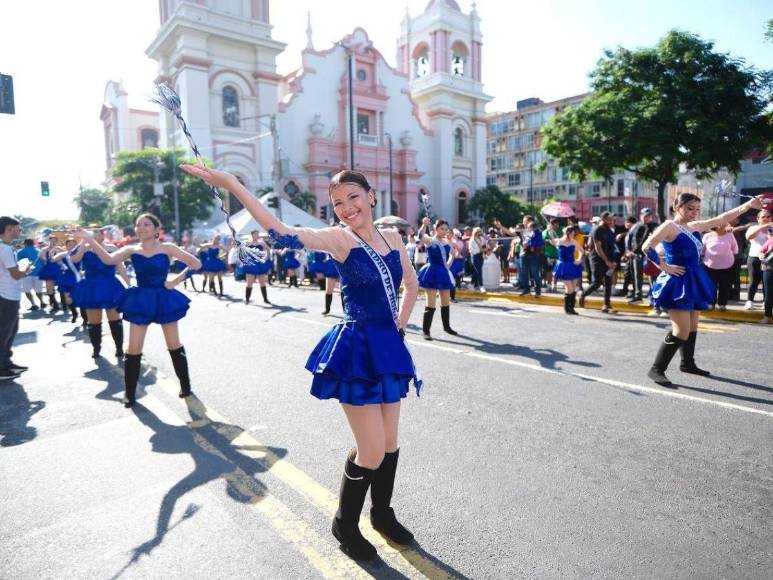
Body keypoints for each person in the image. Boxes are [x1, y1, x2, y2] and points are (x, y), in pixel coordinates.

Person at [181, 163, 421, 561]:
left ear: (372, 196)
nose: (347, 208)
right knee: (372, 450)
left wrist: (401, 323)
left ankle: (382, 514)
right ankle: (345, 523)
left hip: (388, 346)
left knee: (389, 443)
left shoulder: (393, 237)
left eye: (353, 198)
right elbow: (281, 231)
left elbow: (411, 283)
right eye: (338, 203)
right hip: (357, 349)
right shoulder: (339, 240)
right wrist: (232, 184)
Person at [76, 214, 202, 407]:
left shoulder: (168, 248)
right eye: (138, 225)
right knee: (134, 348)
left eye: (146, 224)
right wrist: (90, 239)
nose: (141, 228)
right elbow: (109, 260)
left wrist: (173, 282)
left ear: (156, 229)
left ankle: (185, 386)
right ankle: (130, 392)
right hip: (141, 300)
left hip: (163, 298)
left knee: (173, 344)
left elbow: (196, 264)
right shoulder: (131, 249)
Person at [643, 193, 763, 386]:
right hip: (677, 281)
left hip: (694, 279)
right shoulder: (669, 226)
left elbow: (721, 219)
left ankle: (687, 363)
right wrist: (663, 266)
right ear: (677, 207)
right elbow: (647, 246)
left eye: (697, 209)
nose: (694, 212)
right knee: (681, 331)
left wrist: (748, 206)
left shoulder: (693, 227)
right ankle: (656, 369)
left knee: (692, 327)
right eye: (690, 208)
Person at [70, 227, 130, 359]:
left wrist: (130, 284)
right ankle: (96, 348)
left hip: (110, 286)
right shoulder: (84, 248)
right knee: (94, 322)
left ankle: (119, 348)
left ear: (102, 235)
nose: (93, 232)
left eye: (96, 231)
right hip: (91, 287)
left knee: (115, 319)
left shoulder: (111, 248)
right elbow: (74, 260)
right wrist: (83, 243)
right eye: (91, 231)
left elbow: (121, 267)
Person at [0, 217, 31, 381]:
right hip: (6, 295)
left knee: (10, 331)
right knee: (5, 332)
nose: (19, 231)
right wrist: (25, 270)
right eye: (17, 228)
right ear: (9, 228)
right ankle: (2, 367)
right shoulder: (4, 249)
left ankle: (7, 362)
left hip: (8, 294)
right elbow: (15, 274)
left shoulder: (5, 248)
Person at [416, 217, 458, 339]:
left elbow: (452, 256)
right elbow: (420, 236)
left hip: (443, 273)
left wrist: (449, 264)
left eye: (446, 229)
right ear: (435, 229)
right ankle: (426, 331)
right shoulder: (431, 240)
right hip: (432, 272)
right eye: (441, 229)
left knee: (446, 302)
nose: (444, 231)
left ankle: (447, 327)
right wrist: (424, 224)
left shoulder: (447, 242)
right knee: (431, 303)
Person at [579, 211, 618, 314]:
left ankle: (606, 304)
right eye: (609, 220)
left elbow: (612, 246)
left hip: (609, 260)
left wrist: (613, 261)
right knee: (597, 282)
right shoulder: (597, 230)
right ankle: (583, 294)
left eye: (612, 220)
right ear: (603, 219)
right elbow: (598, 248)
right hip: (597, 259)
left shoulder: (609, 231)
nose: (611, 222)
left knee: (608, 282)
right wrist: (606, 261)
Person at [548, 225, 584, 315]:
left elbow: (582, 251)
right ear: (568, 233)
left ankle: (571, 308)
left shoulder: (573, 241)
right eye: (572, 233)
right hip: (563, 266)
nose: (574, 235)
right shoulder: (559, 241)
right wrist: (550, 232)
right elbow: (552, 241)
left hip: (573, 265)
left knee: (573, 288)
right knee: (570, 288)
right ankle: (567, 308)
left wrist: (579, 259)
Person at [701, 224, 738, 311]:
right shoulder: (707, 236)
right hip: (710, 265)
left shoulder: (730, 235)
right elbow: (702, 249)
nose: (725, 225)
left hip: (727, 265)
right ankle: (711, 303)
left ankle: (722, 304)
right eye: (721, 223)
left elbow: (735, 248)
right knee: (711, 285)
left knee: (724, 285)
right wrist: (702, 258)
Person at [51, 238, 85, 324]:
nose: (72, 246)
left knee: (81, 298)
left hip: (78, 277)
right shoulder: (63, 254)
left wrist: (84, 272)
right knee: (68, 300)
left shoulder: (80, 253)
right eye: (69, 245)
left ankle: (85, 318)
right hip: (67, 278)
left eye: (74, 245)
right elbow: (53, 259)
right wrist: (52, 251)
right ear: (66, 246)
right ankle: (74, 313)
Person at [744, 208, 771, 309]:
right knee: (754, 280)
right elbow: (749, 237)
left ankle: (766, 302)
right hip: (754, 257)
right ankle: (749, 301)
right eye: (763, 217)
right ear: (758, 219)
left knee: (767, 281)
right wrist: (762, 227)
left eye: (768, 216)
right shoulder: (753, 228)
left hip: (769, 259)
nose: (766, 218)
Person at [628, 208, 657, 303]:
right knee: (637, 276)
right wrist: (630, 251)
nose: (647, 218)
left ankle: (654, 298)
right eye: (645, 216)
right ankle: (638, 296)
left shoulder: (655, 226)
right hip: (636, 255)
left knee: (652, 277)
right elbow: (631, 239)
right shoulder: (636, 226)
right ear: (640, 216)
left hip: (649, 255)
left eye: (649, 216)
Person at [241, 230, 272, 305]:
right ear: (252, 235)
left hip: (259, 264)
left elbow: (268, 249)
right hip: (251, 264)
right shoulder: (248, 242)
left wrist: (266, 258)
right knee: (249, 283)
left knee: (262, 282)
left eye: (258, 234)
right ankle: (247, 299)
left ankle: (265, 299)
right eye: (256, 234)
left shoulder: (261, 243)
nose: (257, 235)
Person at [37, 235, 65, 313]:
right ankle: (55, 304)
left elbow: (64, 259)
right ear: (48, 241)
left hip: (59, 269)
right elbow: (42, 259)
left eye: (55, 240)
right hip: (48, 269)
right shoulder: (44, 249)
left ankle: (64, 303)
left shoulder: (60, 249)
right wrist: (45, 256)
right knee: (49, 288)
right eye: (51, 240)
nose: (53, 242)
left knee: (62, 286)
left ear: (57, 241)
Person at [518, 217, 544, 297]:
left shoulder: (537, 231)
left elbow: (540, 242)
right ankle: (527, 290)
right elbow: (522, 242)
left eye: (525, 221)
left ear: (530, 222)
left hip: (533, 255)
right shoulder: (524, 231)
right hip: (524, 254)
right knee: (524, 273)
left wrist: (529, 243)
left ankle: (538, 291)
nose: (523, 223)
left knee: (535, 272)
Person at [17, 239, 45, 311]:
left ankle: (33, 304)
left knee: (27, 290)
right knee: (39, 290)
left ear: (25, 244)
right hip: (39, 272)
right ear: (33, 244)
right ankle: (42, 302)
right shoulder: (39, 251)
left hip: (26, 274)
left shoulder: (20, 252)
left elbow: (19, 263)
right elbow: (43, 261)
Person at [543, 218, 562, 293]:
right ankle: (549, 285)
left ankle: (555, 285)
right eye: (556, 224)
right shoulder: (545, 231)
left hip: (558, 254)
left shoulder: (560, 231)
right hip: (548, 254)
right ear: (552, 224)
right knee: (549, 270)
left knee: (556, 271)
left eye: (558, 224)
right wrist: (548, 239)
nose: (557, 225)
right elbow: (544, 240)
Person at [759, 234, 773, 324]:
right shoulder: (771, 239)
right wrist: (761, 256)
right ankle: (768, 316)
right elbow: (761, 251)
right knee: (769, 293)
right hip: (769, 269)